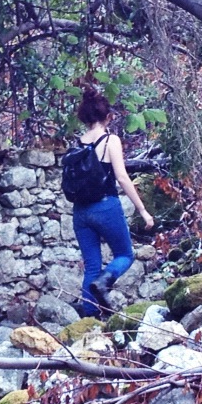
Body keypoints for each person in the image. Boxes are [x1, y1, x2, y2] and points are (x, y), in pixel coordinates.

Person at [71, 85, 155, 313]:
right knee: (125, 255)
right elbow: (122, 178)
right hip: (105, 206)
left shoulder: (78, 143)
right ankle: (103, 282)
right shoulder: (111, 141)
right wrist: (142, 210)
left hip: (80, 211)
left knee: (92, 266)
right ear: (108, 117)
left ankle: (89, 320)